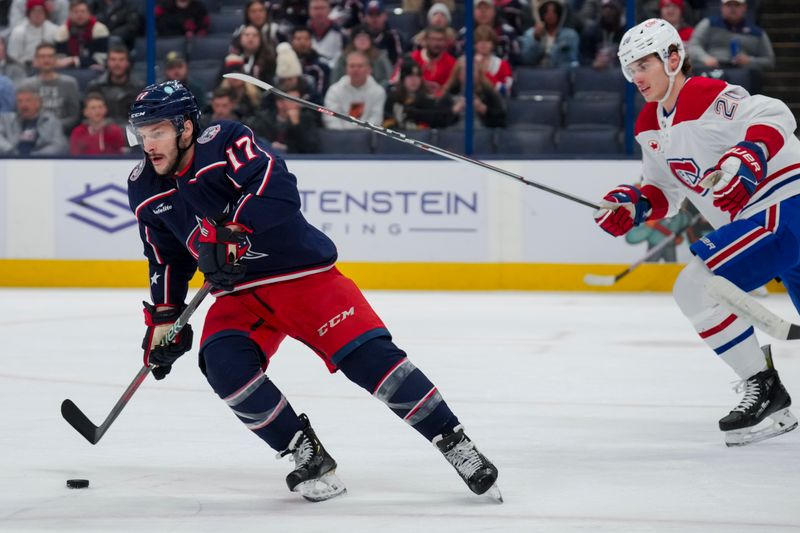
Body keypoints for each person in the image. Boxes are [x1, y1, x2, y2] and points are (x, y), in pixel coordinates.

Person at [125, 79, 499, 502]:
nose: (148, 143)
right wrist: (165, 316)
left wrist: (234, 231)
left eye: (157, 131)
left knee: (373, 361)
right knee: (223, 366)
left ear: (185, 127)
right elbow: (165, 257)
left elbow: (277, 188)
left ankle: (454, 442)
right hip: (238, 294)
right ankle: (305, 451)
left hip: (301, 275)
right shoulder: (144, 186)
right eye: (142, 134)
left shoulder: (225, 140)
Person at [593, 19, 800, 446]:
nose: (637, 76)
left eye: (645, 64)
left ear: (673, 58)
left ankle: (765, 389)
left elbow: (774, 114)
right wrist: (634, 204)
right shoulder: (650, 123)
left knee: (695, 286)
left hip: (785, 205)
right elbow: (665, 192)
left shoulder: (705, 94)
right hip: (764, 221)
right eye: (630, 67)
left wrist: (749, 157)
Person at [688, 0, 774, 72]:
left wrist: (749, 60)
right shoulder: (708, 23)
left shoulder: (757, 32)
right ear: (722, 7)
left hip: (743, 72)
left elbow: (769, 61)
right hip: (713, 69)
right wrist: (705, 58)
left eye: (737, 5)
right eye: (728, 5)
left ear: (744, 7)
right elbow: (693, 45)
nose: (733, 8)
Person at [19, 42, 81, 134]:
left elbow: (74, 116)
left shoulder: (70, 83)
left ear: (56, 59)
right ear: (36, 60)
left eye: (50, 56)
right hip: (32, 132)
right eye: (42, 56)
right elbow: (21, 114)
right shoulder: (26, 85)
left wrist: (53, 126)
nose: (46, 60)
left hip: (61, 133)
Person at [383, 60, 457, 130]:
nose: (414, 80)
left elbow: (436, 118)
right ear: (403, 79)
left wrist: (452, 110)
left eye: (417, 76)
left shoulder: (426, 98)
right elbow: (387, 124)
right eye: (410, 76)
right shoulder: (393, 98)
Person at [252, 79, 321, 154]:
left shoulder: (307, 119)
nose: (297, 104)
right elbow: (256, 142)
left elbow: (311, 148)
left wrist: (296, 125)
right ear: (280, 103)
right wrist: (270, 146)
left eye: (299, 100)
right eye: (292, 100)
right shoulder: (264, 119)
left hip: (298, 161)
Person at [322, 50, 385, 129]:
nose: (355, 69)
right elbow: (330, 117)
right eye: (352, 66)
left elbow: (376, 119)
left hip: (368, 137)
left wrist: (360, 135)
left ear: (369, 69)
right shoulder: (334, 91)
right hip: (339, 136)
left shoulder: (378, 91)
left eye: (360, 66)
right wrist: (344, 136)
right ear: (346, 69)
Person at [86, 43, 144, 126]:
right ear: (107, 62)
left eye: (121, 60)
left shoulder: (139, 87)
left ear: (128, 63)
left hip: (131, 132)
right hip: (102, 131)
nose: (117, 64)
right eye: (113, 59)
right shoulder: (95, 86)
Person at [0, 85, 68, 155]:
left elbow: (59, 145)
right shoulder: (6, 119)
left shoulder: (51, 121)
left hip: (40, 162)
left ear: (38, 103)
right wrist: (12, 151)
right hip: (11, 160)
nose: (23, 105)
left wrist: (34, 157)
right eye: (20, 101)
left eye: (28, 100)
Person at [520, 0, 580, 68]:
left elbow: (572, 61)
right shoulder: (530, 33)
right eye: (547, 12)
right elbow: (526, 60)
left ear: (559, 14)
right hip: (536, 73)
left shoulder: (570, 36)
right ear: (542, 14)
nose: (550, 15)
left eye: (554, 12)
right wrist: (536, 39)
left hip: (561, 73)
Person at [53, 0, 110, 70]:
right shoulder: (62, 31)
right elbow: (61, 59)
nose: (79, 15)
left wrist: (75, 60)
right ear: (70, 14)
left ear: (89, 13)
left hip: (93, 69)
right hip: (68, 69)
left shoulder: (99, 29)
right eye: (76, 12)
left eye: (83, 12)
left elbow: (100, 59)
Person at [6, 0, 59, 70]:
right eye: (34, 11)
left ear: (45, 14)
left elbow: (59, 52)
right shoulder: (18, 32)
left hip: (50, 66)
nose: (37, 15)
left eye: (40, 11)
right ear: (28, 14)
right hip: (24, 68)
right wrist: (30, 63)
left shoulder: (54, 29)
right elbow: (13, 57)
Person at [410, 26, 457, 97]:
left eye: (440, 40)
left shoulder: (452, 63)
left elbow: (454, 88)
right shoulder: (412, 58)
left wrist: (442, 89)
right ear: (425, 40)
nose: (436, 43)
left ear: (446, 42)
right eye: (433, 39)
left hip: (441, 102)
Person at [307, 0, 345, 68]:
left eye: (322, 8)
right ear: (309, 11)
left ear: (329, 10)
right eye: (315, 8)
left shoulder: (340, 34)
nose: (319, 12)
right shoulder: (303, 33)